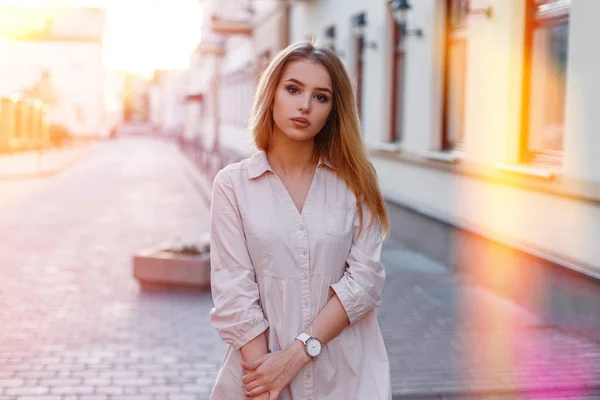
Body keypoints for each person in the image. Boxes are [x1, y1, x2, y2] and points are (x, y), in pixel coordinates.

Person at [209, 40, 391, 400]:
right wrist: (265, 380)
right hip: (259, 371)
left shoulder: (355, 180)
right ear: (272, 93)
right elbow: (234, 291)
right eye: (293, 89)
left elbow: (365, 281)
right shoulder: (233, 185)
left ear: (333, 111)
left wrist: (295, 356)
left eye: (321, 97)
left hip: (347, 372)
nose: (305, 105)